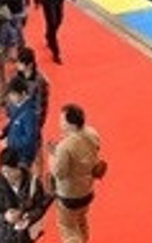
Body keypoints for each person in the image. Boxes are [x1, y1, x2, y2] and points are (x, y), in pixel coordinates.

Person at [50, 104, 102, 243]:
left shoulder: (65, 147)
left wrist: (53, 156)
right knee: (81, 222)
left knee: (68, 229)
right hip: (87, 189)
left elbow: (59, 173)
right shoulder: (92, 133)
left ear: (70, 124)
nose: (60, 122)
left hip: (69, 195)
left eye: (62, 120)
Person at [0, 147, 51, 243]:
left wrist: (29, 217)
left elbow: (40, 207)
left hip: (25, 238)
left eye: (9, 171)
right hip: (4, 238)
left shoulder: (33, 184)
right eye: (4, 172)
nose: (6, 175)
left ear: (18, 166)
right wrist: (5, 217)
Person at [0, 77, 41, 168]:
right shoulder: (15, 106)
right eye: (10, 95)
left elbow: (29, 140)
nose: (11, 98)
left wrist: (10, 143)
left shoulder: (29, 113)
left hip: (23, 157)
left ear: (23, 93)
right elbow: (12, 121)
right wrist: (4, 131)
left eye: (13, 94)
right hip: (14, 154)